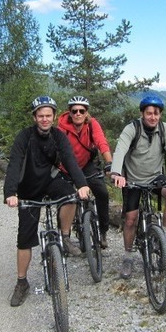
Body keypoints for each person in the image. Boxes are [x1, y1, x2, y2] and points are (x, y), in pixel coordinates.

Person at [3, 96, 91, 307]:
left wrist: (81, 185)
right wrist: (11, 192)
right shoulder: (24, 137)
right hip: (28, 188)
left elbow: (69, 160)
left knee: (70, 197)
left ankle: (65, 236)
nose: (44, 119)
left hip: (51, 181)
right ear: (35, 117)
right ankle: (22, 282)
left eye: (48, 115)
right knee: (25, 238)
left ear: (53, 117)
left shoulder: (58, 136)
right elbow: (14, 163)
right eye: (40, 116)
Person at [110, 95, 166, 279]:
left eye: (156, 113)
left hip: (155, 177)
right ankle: (128, 256)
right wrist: (116, 173)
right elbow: (120, 149)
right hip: (133, 179)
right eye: (149, 113)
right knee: (130, 219)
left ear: (160, 115)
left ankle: (165, 236)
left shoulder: (164, 128)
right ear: (142, 113)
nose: (153, 117)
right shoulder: (132, 128)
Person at [57, 96, 113, 248]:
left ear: (86, 112)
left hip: (85, 164)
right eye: (74, 110)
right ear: (69, 112)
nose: (78, 114)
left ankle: (103, 231)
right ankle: (64, 236)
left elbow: (102, 143)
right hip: (66, 167)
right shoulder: (61, 128)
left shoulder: (92, 124)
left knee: (102, 193)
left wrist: (109, 164)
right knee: (65, 198)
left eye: (82, 110)